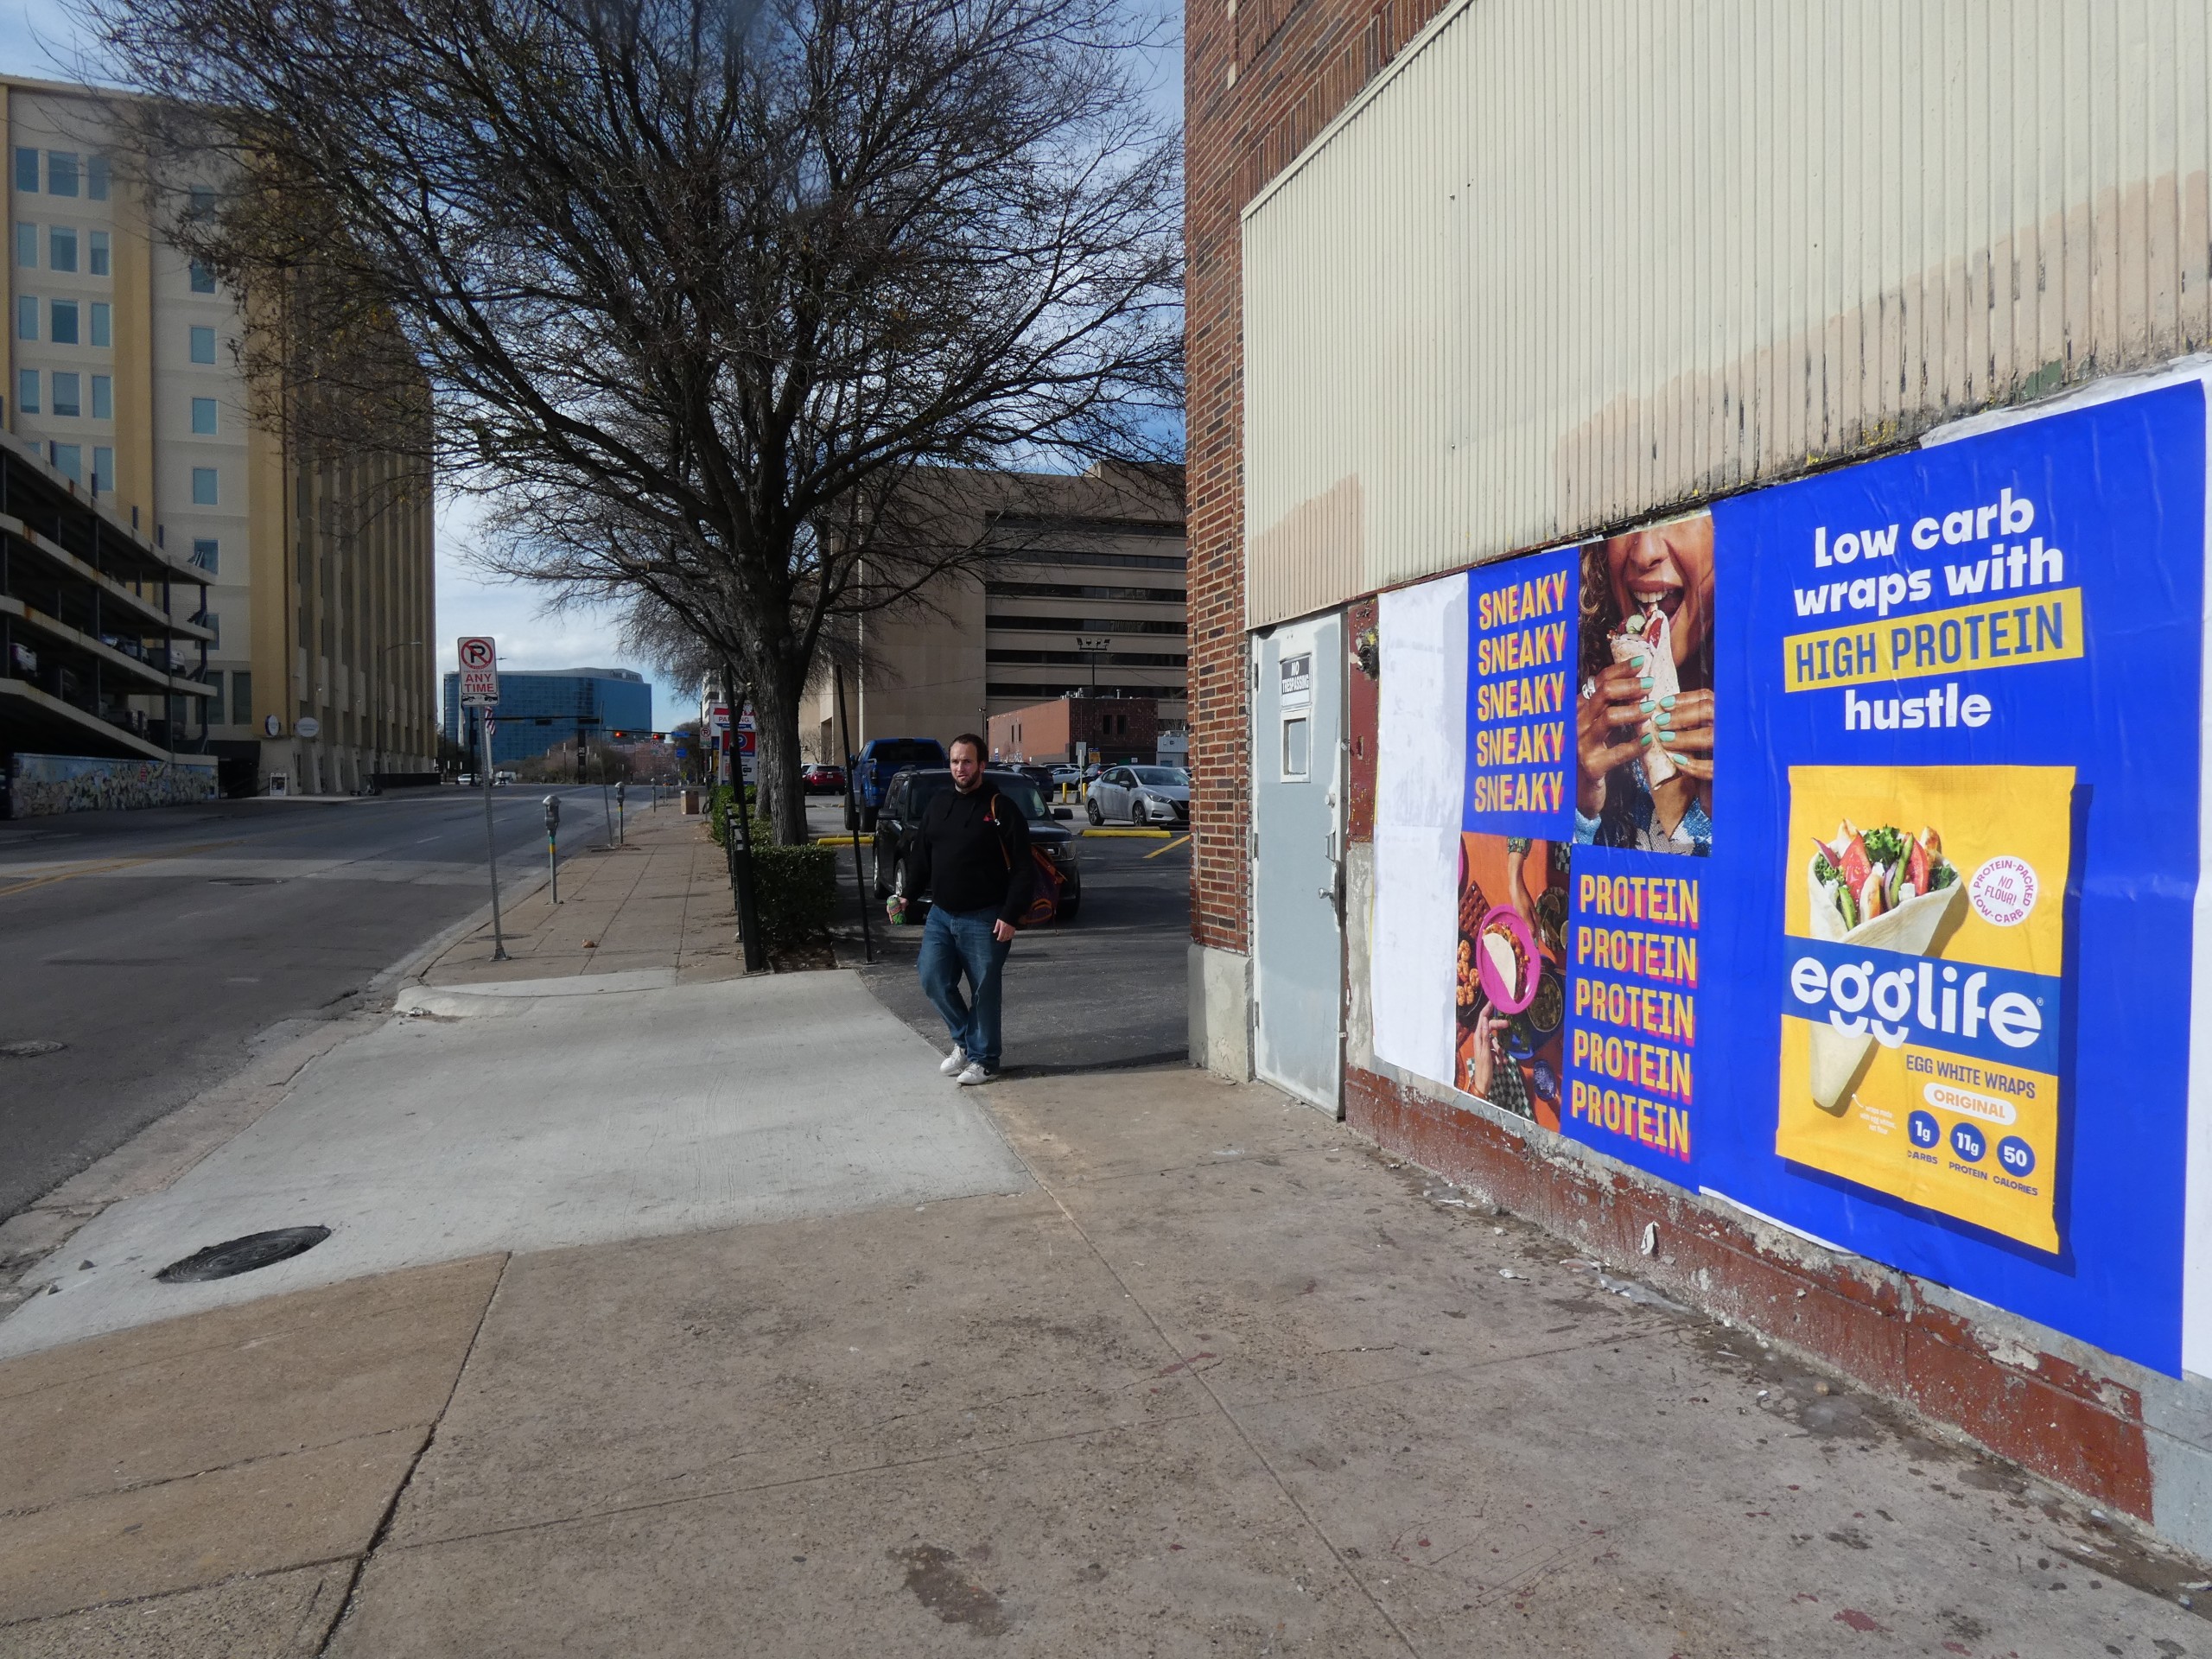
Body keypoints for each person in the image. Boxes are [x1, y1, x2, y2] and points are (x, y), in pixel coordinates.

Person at [1573, 516, 1717, 855]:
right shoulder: (1576, 716)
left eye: (1679, 517)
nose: (1643, 554)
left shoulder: (1783, 724)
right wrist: (1579, 808)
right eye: (1622, 523)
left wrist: (1751, 809)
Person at [912, 733, 1035, 1084]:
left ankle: (985, 1060)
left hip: (986, 917)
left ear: (981, 764)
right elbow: (922, 855)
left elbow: (1023, 868)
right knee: (932, 978)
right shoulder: (939, 804)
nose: (960, 768)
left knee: (984, 991)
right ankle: (967, 1042)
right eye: (955, 761)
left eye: (967, 761)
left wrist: (1011, 915)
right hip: (941, 915)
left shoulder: (1001, 808)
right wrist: (907, 895)